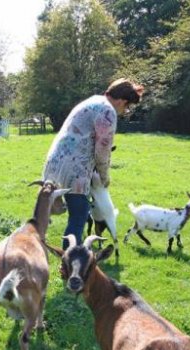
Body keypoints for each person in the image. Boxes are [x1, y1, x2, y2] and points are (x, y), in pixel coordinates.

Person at [42, 78, 144, 248]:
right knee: (79, 212)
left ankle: (69, 257)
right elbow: (103, 150)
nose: (125, 111)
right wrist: (104, 176)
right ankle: (71, 262)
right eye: (127, 107)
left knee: (77, 210)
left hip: (57, 161)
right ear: (122, 101)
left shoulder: (93, 100)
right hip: (74, 167)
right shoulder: (107, 111)